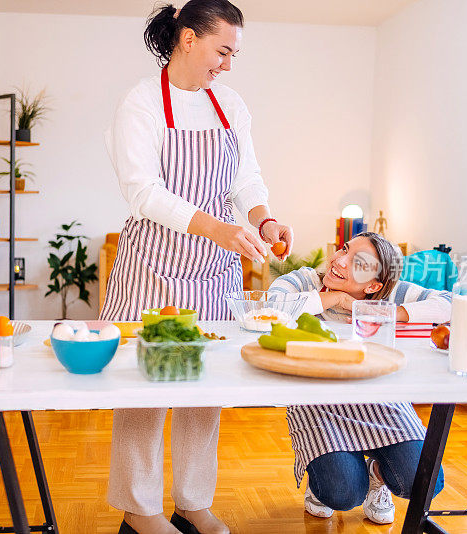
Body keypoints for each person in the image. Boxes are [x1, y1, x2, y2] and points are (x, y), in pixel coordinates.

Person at [101, 1, 293, 532]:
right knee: (144, 390)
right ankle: (140, 512)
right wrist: (221, 229)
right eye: (222, 50)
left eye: (234, 53)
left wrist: (264, 218)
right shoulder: (140, 103)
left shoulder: (228, 103)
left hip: (212, 273)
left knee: (206, 388)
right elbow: (144, 192)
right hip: (151, 271)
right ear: (189, 38)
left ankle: (193, 502)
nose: (228, 64)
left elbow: (246, 178)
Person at [269, 232, 448, 524]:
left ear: (374, 285)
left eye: (358, 263)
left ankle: (376, 475)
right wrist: (334, 298)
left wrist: (370, 310)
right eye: (344, 250)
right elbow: (273, 306)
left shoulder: (389, 294)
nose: (339, 260)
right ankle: (322, 484)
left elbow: (450, 302)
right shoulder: (306, 281)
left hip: (380, 399)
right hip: (318, 402)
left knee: (425, 480)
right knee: (342, 493)